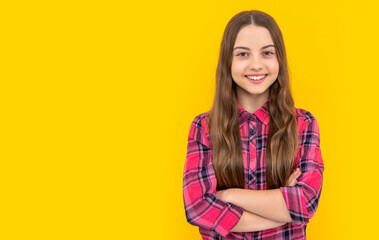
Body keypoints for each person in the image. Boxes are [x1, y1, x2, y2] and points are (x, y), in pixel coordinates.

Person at [182, 10, 324, 240]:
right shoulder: (204, 127)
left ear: (279, 59)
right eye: (243, 54)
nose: (256, 64)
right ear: (228, 60)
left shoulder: (303, 124)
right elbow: (197, 207)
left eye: (267, 52)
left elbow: (305, 202)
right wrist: (282, 211)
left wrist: (227, 196)